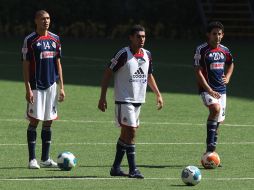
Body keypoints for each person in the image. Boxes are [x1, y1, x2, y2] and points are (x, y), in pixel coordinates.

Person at [98, 25, 163, 179]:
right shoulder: (123, 54)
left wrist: (158, 94)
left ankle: (115, 168)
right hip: (123, 100)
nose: (142, 39)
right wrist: (102, 97)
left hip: (138, 100)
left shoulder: (147, 54)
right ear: (131, 38)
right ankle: (133, 169)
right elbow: (108, 72)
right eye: (138, 36)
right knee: (132, 131)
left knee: (126, 134)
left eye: (144, 36)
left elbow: (148, 75)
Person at [22, 10, 65, 169]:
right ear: (36, 21)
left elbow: (58, 63)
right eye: (42, 19)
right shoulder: (30, 40)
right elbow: (25, 66)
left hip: (52, 86)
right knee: (34, 121)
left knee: (48, 122)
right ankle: (32, 159)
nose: (45, 21)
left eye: (47, 18)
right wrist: (27, 88)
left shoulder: (55, 39)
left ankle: (45, 159)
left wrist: (62, 87)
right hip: (36, 87)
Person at [193, 21, 234, 155]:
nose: (217, 36)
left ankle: (210, 154)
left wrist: (227, 77)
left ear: (223, 35)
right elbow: (198, 71)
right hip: (207, 89)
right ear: (208, 35)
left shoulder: (225, 50)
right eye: (214, 34)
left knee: (218, 122)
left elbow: (231, 63)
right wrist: (209, 90)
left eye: (220, 34)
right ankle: (210, 144)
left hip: (222, 90)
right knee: (215, 109)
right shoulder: (201, 50)